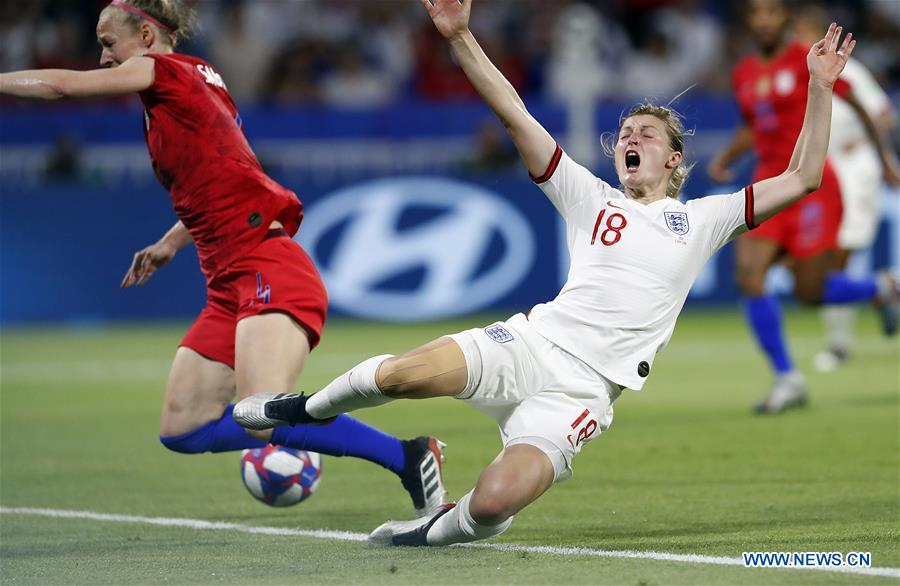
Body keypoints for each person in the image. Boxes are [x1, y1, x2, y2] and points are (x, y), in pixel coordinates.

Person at [235, 0, 888, 547]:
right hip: (530, 344)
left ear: (675, 158)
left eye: (646, 134)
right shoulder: (589, 197)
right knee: (401, 376)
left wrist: (820, 87)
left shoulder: (704, 219)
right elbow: (515, 114)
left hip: (582, 394)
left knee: (494, 504)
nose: (631, 139)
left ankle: (433, 531)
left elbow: (802, 176)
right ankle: (303, 409)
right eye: (625, 132)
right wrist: (460, 38)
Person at [0, 0, 446, 518]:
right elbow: (227, 174)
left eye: (107, 43)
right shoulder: (195, 82)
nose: (102, 58)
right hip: (227, 283)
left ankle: (408, 457)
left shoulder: (163, 71)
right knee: (184, 428)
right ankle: (318, 433)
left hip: (267, 268)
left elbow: (62, 87)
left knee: (259, 416)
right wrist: (171, 242)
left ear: (146, 37)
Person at [707, 0, 900, 413]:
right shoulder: (744, 73)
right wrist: (727, 156)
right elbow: (754, 126)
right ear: (747, 21)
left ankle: (882, 288)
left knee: (810, 292)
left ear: (785, 18)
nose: (763, 21)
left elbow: (858, 105)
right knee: (749, 274)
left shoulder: (806, 58)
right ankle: (787, 378)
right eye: (755, 13)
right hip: (769, 185)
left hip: (813, 185)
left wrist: (884, 160)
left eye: (771, 12)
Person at [793, 4, 899, 372]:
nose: (801, 41)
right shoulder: (801, 74)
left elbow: (883, 113)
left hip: (854, 171)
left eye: (806, 32)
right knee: (828, 259)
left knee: (837, 256)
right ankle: (881, 290)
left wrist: (867, 145)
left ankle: (841, 343)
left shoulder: (848, 70)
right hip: (824, 173)